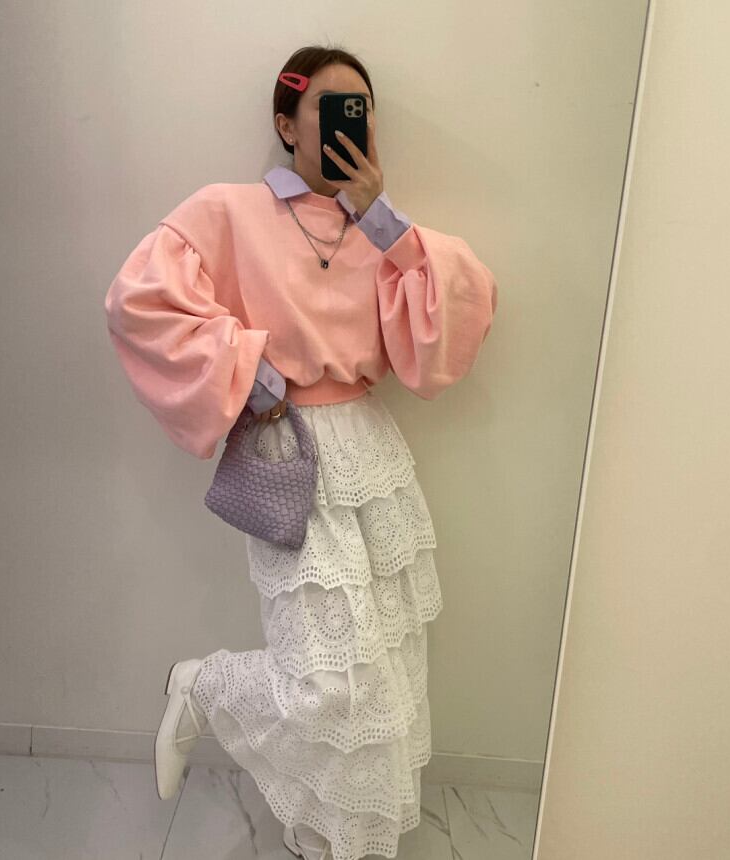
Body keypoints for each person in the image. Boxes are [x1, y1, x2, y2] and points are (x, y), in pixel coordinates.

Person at [103, 44, 497, 860]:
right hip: (289, 453)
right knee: (329, 683)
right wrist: (249, 369)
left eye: (364, 110)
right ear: (287, 124)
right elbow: (138, 301)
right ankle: (203, 686)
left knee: (385, 667)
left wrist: (383, 218)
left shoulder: (380, 229)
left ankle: (330, 840)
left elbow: (459, 310)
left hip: (373, 453)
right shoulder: (229, 211)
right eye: (331, 108)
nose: (353, 123)